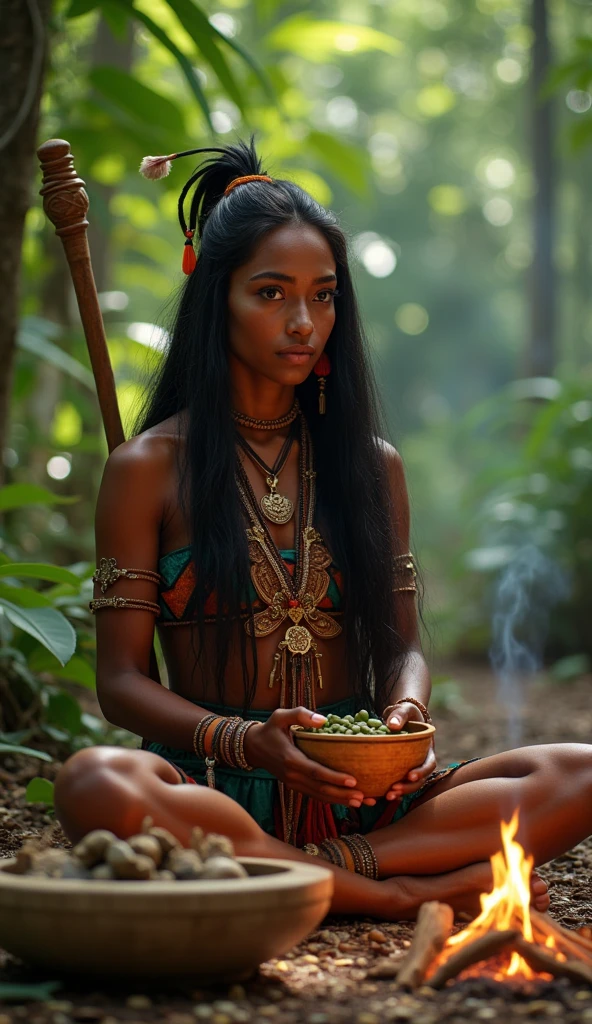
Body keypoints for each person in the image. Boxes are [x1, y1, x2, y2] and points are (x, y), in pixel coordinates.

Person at [55, 139, 591, 920]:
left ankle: (311, 872)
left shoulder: (374, 465)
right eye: (271, 294)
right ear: (216, 298)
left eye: (324, 296)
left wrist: (406, 716)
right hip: (211, 787)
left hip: (360, 788)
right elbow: (121, 684)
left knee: (579, 773)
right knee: (94, 783)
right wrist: (244, 744)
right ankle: (396, 893)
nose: (304, 322)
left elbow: (401, 645)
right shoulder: (147, 467)